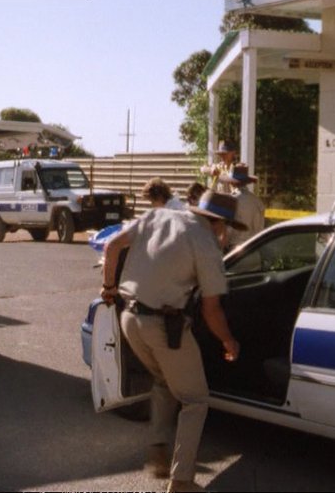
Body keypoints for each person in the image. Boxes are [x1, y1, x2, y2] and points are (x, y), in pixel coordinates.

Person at [101, 190, 242, 493]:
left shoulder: (157, 215)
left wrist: (109, 288)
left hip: (130, 319)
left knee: (165, 380)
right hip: (165, 328)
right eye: (226, 228)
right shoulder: (206, 246)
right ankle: (181, 481)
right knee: (195, 400)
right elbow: (211, 308)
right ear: (220, 224)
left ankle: (158, 448)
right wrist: (228, 340)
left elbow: (111, 246)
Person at [219, 164, 265, 251]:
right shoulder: (258, 202)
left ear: (231, 182)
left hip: (235, 252)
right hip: (255, 249)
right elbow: (260, 229)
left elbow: (228, 232)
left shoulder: (231, 201)